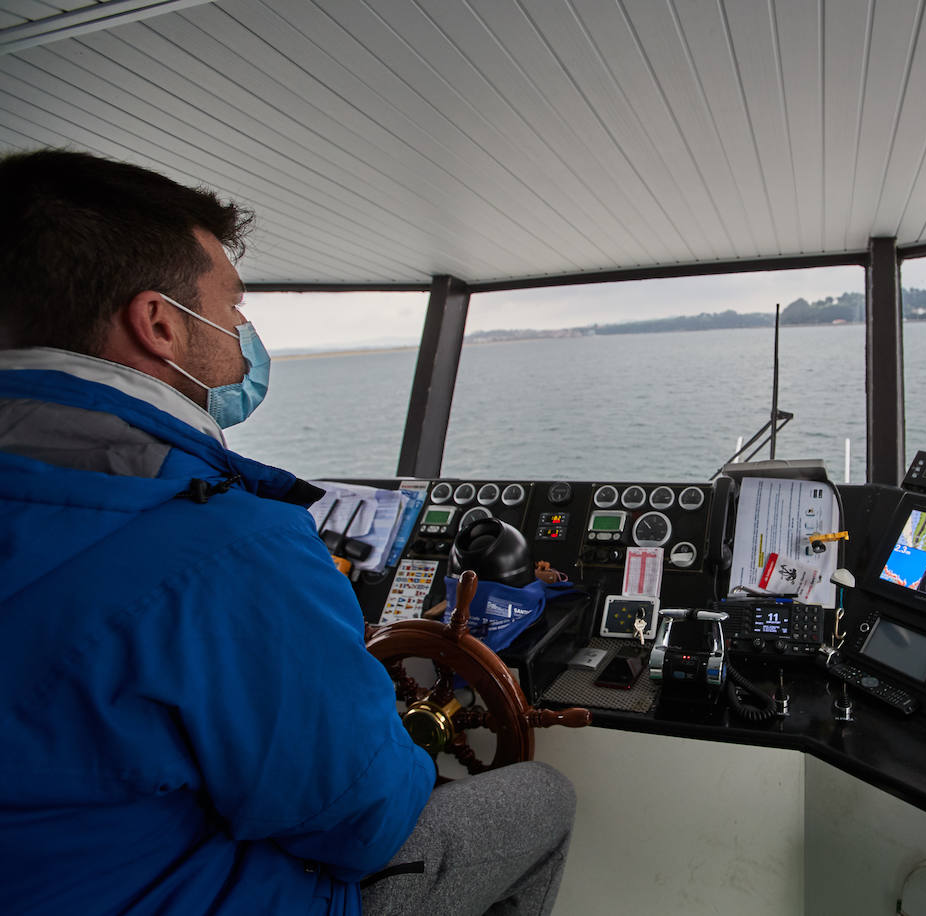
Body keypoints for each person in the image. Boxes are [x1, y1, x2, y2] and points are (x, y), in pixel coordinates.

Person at [0, 148, 576, 915]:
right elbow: (363, 817)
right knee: (538, 796)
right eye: (233, 306)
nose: (244, 329)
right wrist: (387, 712)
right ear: (160, 323)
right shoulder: (229, 545)